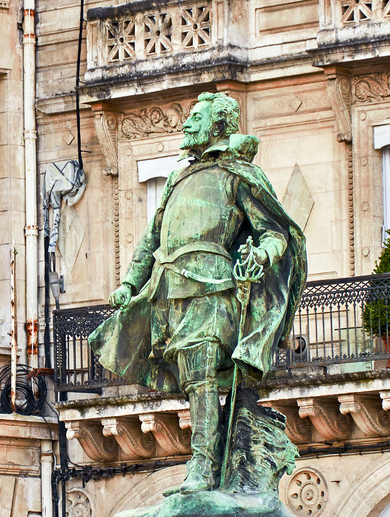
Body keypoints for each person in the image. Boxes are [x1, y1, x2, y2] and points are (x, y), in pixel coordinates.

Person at [88, 92, 307, 495]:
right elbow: (150, 240)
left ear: (218, 126)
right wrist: (129, 284)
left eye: (196, 118)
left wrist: (262, 253)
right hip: (169, 288)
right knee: (192, 378)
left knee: (201, 369)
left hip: (214, 285)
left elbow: (276, 232)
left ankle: (203, 466)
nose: (187, 125)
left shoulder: (237, 175)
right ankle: (211, 458)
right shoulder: (177, 177)